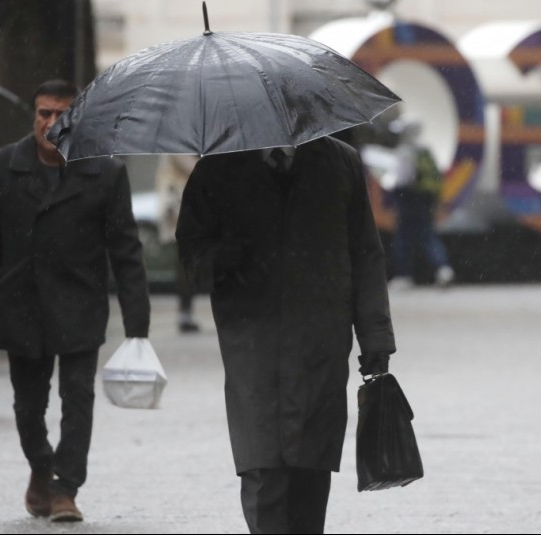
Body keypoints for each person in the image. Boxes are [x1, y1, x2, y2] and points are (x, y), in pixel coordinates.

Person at [176, 136, 396, 535]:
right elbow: (190, 248)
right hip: (251, 341)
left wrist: (375, 338)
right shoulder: (221, 165)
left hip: (320, 339)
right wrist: (220, 258)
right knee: (262, 465)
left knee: (311, 467)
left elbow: (366, 253)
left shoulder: (339, 162)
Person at [0, 80, 150, 522]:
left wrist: (137, 325)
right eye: (43, 113)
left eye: (61, 115)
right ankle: (41, 465)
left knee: (78, 397)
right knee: (28, 405)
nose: (50, 123)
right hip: (20, 303)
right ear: (34, 115)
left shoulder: (103, 172)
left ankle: (66, 487)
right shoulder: (1, 166)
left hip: (78, 303)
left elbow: (124, 249)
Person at [387, 120, 454, 289]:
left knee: (402, 239)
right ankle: (443, 269)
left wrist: (394, 195)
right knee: (428, 236)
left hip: (408, 199)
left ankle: (403, 276)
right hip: (425, 200)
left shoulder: (404, 152)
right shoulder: (425, 151)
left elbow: (402, 179)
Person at [155, 154, 201, 333]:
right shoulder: (177, 143)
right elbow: (190, 166)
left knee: (185, 263)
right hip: (179, 204)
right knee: (185, 264)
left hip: (180, 203)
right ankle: (185, 312)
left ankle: (186, 311)